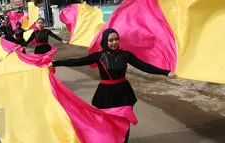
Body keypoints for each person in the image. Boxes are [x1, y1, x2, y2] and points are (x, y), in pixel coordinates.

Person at [49, 28, 177, 142]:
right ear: (105, 41)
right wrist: (56, 63)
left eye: (116, 39)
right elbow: (77, 61)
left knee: (124, 121)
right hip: (106, 93)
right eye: (111, 40)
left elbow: (144, 66)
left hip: (124, 92)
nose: (114, 42)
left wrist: (166, 72)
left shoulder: (126, 54)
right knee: (107, 122)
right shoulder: (99, 56)